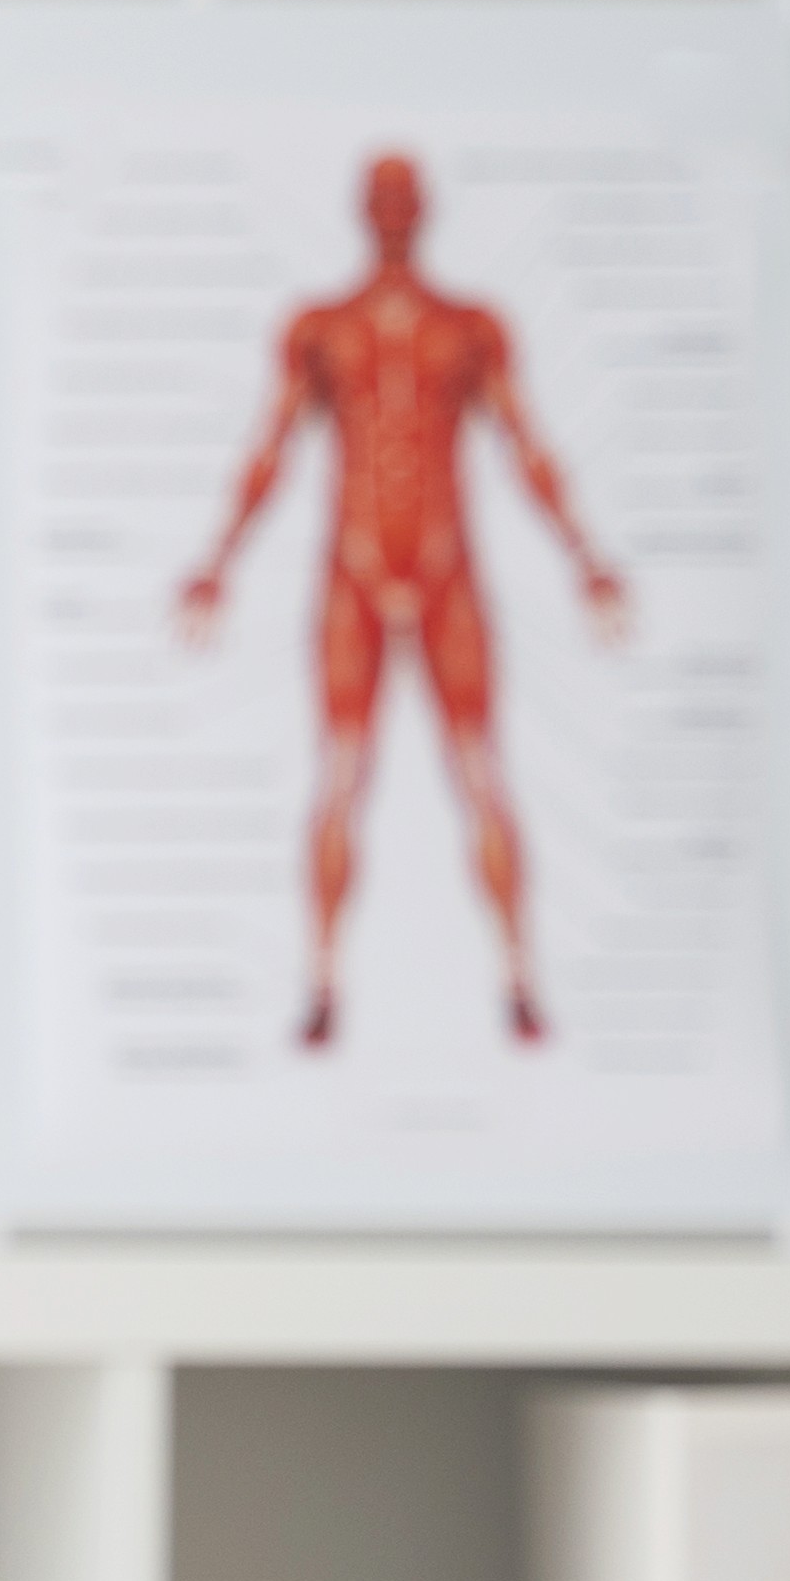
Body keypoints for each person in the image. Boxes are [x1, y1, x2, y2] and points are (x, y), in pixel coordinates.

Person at [174, 148, 633, 1052]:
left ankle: (519, 978)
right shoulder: (320, 328)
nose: (390, 211)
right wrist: (217, 561)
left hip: (444, 570)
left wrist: (586, 558)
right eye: (378, 197)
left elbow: (523, 444)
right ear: (361, 210)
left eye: (403, 198)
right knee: (341, 773)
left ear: (422, 210)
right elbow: (272, 448)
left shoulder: (467, 328)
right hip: (350, 569)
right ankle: (321, 983)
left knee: (476, 769)